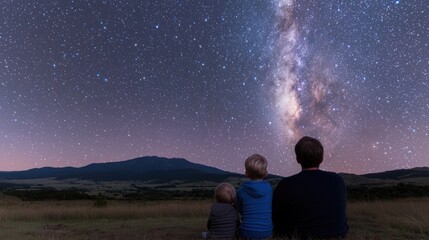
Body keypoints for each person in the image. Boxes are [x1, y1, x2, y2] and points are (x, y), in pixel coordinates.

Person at [272, 136, 349, 239]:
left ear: (297, 159)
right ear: (322, 158)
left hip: (298, 236)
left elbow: (277, 217)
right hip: (337, 236)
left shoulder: (286, 184)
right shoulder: (337, 180)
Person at [237, 154, 273, 239]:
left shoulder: (241, 191)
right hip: (266, 232)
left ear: (246, 173)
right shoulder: (269, 189)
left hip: (246, 233)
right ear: (266, 172)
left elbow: (240, 210)